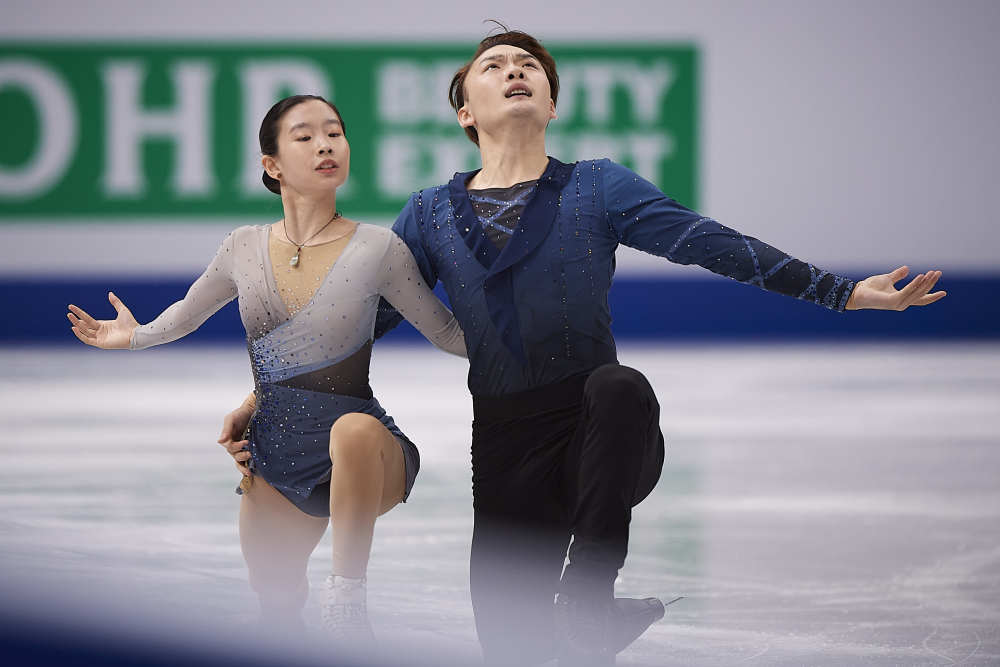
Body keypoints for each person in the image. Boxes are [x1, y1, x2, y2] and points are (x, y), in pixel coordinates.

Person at [216, 30, 946, 667]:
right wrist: (267, 397)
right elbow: (353, 322)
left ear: (551, 106)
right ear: (465, 111)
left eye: (530, 66)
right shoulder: (430, 213)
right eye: (495, 65)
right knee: (514, 650)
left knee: (620, 386)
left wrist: (843, 292)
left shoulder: (598, 187)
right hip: (505, 449)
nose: (515, 70)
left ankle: (591, 595)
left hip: (603, 434)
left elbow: (710, 243)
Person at [66, 94, 467, 642]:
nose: (325, 145)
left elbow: (448, 334)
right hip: (276, 455)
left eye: (335, 133)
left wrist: (537, 339)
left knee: (351, 430)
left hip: (367, 455)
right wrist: (134, 336)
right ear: (272, 165)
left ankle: (346, 601)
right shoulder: (243, 247)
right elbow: (186, 314)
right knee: (274, 610)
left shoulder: (380, 248)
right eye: (305, 136)